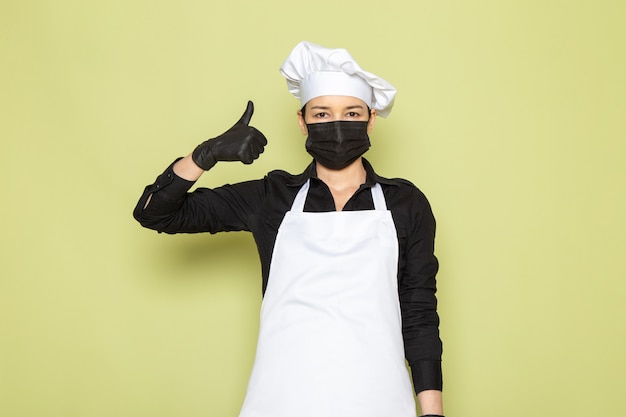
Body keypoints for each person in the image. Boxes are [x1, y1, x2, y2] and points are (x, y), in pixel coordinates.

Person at [134, 41, 444, 417]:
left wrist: (432, 413)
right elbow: (155, 213)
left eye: (350, 112)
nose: (336, 124)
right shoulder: (271, 198)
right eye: (321, 114)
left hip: (379, 398)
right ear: (302, 121)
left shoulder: (406, 204)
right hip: (283, 397)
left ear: (371, 119)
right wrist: (206, 154)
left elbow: (419, 312)